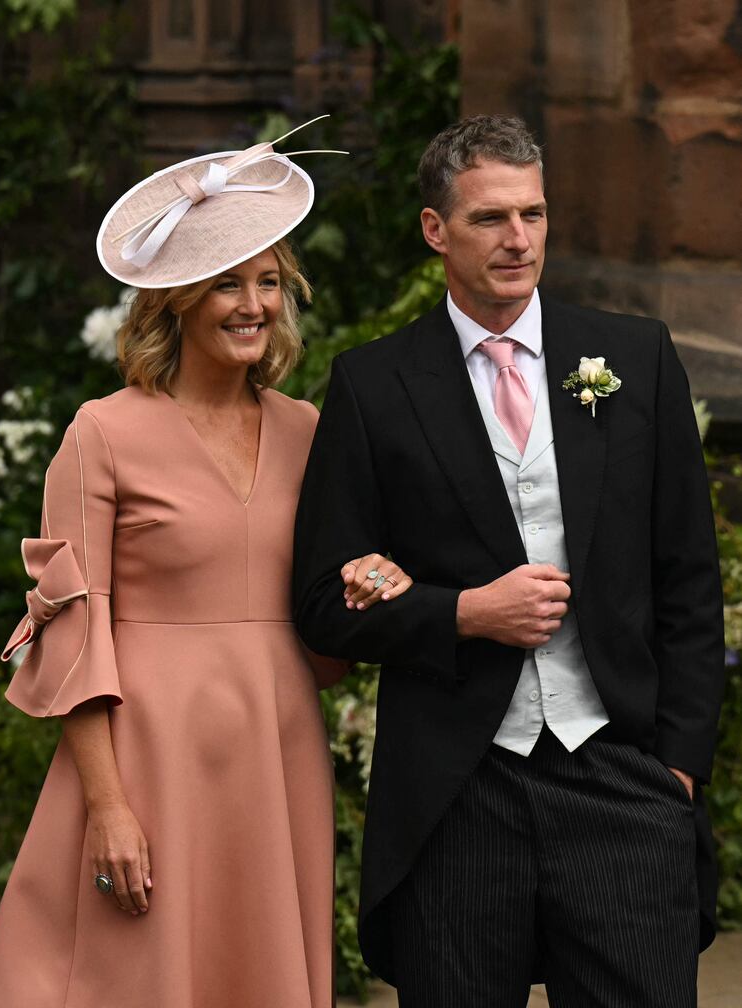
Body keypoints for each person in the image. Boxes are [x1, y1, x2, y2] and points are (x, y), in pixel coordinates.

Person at [293, 114, 725, 1007]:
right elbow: (324, 602)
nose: (518, 239)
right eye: (490, 218)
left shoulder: (633, 359)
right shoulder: (373, 385)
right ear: (434, 229)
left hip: (619, 771)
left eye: (532, 213)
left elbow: (688, 575)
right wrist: (462, 614)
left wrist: (676, 766)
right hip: (459, 787)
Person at [0, 124, 410, 1008]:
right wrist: (107, 806)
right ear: (175, 299)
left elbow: (321, 633)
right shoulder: (102, 434)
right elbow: (69, 637)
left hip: (274, 755)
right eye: (225, 284)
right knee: (132, 976)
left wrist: (371, 589)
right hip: (147, 763)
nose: (251, 305)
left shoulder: (306, 432)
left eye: (266, 284)